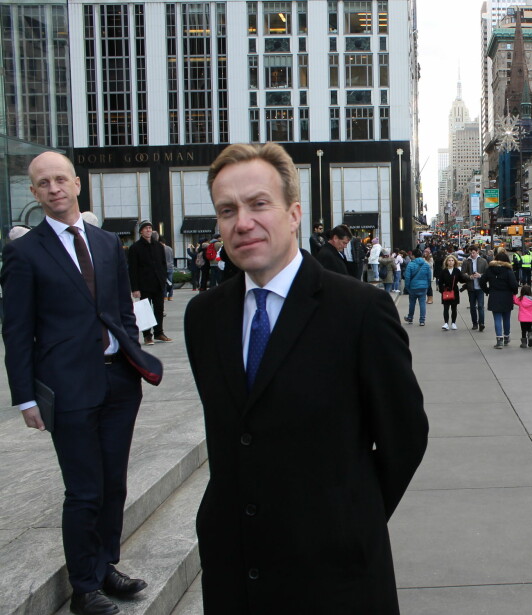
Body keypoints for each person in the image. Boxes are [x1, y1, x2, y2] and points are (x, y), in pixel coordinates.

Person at [185, 142, 427, 614]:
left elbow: (405, 437)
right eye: (227, 210)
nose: (242, 222)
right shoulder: (203, 316)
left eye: (259, 204)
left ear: (294, 214)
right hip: (235, 573)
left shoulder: (360, 310)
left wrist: (349, 521)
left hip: (335, 580)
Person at [2, 151, 162, 615]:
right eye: (43, 183)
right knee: (84, 490)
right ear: (34, 193)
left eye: (60, 179)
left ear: (76, 184)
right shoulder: (24, 252)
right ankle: (84, 588)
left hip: (119, 384)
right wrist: (26, 397)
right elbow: (16, 330)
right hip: (68, 387)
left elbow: (122, 310)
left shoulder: (107, 243)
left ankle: (106, 564)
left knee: (114, 485)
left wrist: (131, 353)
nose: (53, 188)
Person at [127, 221, 172, 345]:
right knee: (144, 310)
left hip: (158, 283)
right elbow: (132, 269)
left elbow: (163, 264)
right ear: (141, 231)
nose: (148, 230)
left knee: (159, 309)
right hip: (143, 285)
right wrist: (135, 288)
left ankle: (159, 332)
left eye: (150, 228)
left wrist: (163, 279)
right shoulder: (135, 248)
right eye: (146, 228)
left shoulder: (158, 246)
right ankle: (147, 335)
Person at [480, 251, 518, 349]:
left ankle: (499, 340)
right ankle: (506, 336)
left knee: (497, 318)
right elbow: (514, 285)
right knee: (506, 318)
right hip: (507, 296)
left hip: (494, 296)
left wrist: (487, 290)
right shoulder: (508, 271)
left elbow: (482, 281)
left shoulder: (490, 270)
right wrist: (514, 292)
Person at [435, 254, 468, 330]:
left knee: (454, 308)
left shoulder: (457, 271)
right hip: (446, 291)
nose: (450, 262)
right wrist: (442, 291)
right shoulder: (443, 271)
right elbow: (440, 282)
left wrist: (467, 277)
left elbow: (461, 280)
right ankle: (446, 323)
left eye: (452, 260)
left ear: (454, 262)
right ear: (446, 262)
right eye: (449, 260)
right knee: (446, 308)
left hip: (454, 291)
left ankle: (453, 323)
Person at [462, 245, 488, 332]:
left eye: (473, 253)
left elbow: (488, 273)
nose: (472, 254)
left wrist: (480, 275)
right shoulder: (466, 261)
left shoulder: (483, 261)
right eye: (471, 253)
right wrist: (469, 277)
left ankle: (481, 323)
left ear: (477, 251)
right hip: (471, 288)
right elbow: (462, 273)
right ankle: (474, 323)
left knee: (480, 306)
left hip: (480, 287)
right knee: (472, 307)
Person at [403, 248, 432, 325]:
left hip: (413, 287)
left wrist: (407, 287)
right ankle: (422, 320)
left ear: (413, 255)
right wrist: (427, 286)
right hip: (423, 287)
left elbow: (407, 277)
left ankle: (410, 317)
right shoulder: (426, 264)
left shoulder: (410, 264)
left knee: (412, 303)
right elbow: (429, 277)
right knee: (422, 303)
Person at [161, 234, 174, 301]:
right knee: (170, 282)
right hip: (170, 266)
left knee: (164, 283)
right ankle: (170, 296)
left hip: (164, 268)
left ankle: (165, 296)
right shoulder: (170, 248)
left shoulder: (161, 249)